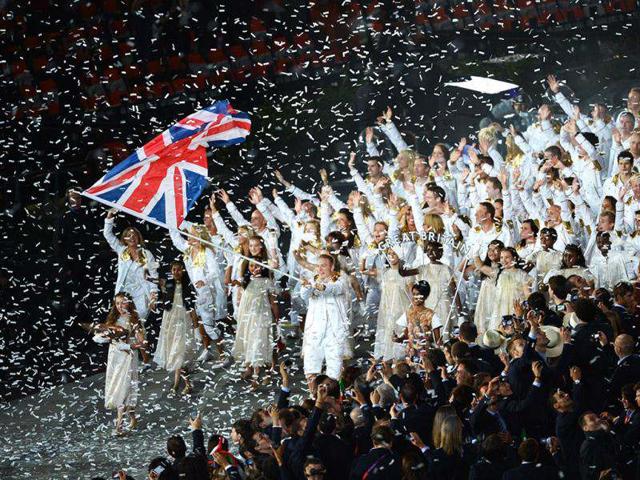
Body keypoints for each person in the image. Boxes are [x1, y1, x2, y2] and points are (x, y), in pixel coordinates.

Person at [169, 224, 227, 364]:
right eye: (189, 234)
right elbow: (176, 240)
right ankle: (208, 351)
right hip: (198, 293)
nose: (188, 237)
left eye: (192, 234)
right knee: (202, 323)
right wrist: (171, 222)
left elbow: (214, 271)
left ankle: (223, 355)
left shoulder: (206, 251)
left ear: (199, 237)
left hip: (207, 292)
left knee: (208, 326)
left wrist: (204, 281)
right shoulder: (189, 250)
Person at [92, 292, 143, 435]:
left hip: (128, 358)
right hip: (115, 358)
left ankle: (118, 426)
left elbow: (141, 340)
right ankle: (132, 416)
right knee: (120, 388)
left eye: (123, 302)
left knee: (125, 387)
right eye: (118, 303)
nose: (120, 306)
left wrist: (135, 341)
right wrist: (106, 335)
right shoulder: (113, 319)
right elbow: (99, 338)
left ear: (129, 303)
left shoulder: (133, 319)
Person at [232, 236, 279, 388]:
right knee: (250, 339)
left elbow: (272, 297)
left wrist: (276, 316)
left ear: (262, 246)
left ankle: (260, 375)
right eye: (251, 245)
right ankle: (251, 368)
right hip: (247, 310)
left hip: (261, 311)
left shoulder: (266, 268)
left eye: (256, 245)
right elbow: (242, 288)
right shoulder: (245, 264)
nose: (253, 248)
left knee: (260, 339)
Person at [301, 254, 349, 385]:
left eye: (324, 266)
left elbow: (335, 289)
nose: (320, 269)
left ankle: (336, 398)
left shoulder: (340, 280)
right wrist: (307, 287)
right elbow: (304, 295)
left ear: (332, 266)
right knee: (311, 367)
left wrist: (323, 287)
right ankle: (313, 398)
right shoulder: (312, 281)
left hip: (334, 331)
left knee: (335, 370)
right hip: (314, 331)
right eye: (318, 266)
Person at [153, 261, 199, 395]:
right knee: (174, 352)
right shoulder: (168, 284)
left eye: (179, 270)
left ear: (183, 271)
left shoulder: (187, 287)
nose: (176, 272)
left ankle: (179, 383)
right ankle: (183, 383)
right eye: (174, 270)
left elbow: (191, 308)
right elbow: (153, 280)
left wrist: (195, 326)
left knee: (179, 353)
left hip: (183, 323)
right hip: (170, 322)